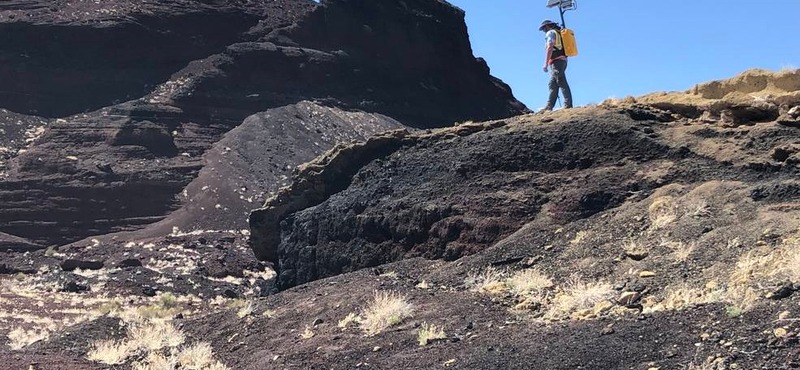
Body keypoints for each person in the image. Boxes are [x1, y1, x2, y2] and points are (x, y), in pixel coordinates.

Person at [539, 19, 573, 112]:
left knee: (561, 81)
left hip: (556, 61)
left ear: (546, 27)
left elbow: (550, 46)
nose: (543, 31)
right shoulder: (558, 32)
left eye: (543, 29)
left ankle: (568, 105)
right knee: (552, 84)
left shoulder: (550, 33)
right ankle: (549, 106)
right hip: (563, 60)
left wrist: (545, 63)